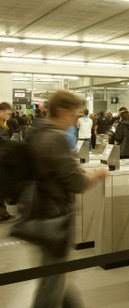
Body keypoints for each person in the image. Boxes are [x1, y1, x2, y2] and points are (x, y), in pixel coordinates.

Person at [26, 90, 107, 307]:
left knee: (55, 277)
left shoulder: (36, 132)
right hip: (55, 219)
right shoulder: (56, 138)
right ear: (62, 111)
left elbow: (51, 171)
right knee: (51, 284)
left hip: (39, 214)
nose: (74, 123)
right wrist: (96, 175)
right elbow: (77, 185)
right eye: (73, 116)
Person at [0, 102, 13, 221]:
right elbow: (5, 142)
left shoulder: (3, 124)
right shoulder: (1, 126)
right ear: (1, 111)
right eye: (7, 113)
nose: (9, 116)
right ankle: (2, 214)